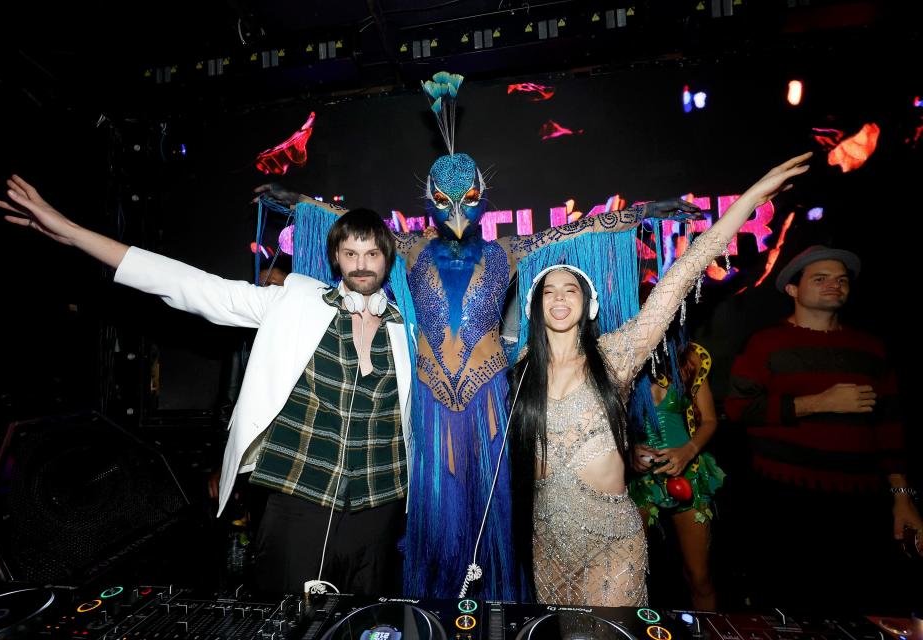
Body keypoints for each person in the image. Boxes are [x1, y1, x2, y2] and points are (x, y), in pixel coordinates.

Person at [255, 73, 701, 599]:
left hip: (489, 395)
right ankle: (433, 614)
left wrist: (639, 214)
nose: (458, 214)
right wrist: (302, 206)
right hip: (429, 399)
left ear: (483, 195)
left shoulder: (506, 251)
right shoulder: (410, 246)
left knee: (490, 517)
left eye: (468, 199)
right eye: (445, 201)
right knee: (436, 519)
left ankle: (493, 614)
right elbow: (352, 226)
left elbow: (580, 230)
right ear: (429, 198)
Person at [0, 177, 413, 599]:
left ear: (387, 258)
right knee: (286, 621)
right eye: (351, 253)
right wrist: (71, 231)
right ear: (336, 259)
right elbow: (191, 286)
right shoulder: (294, 302)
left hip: (379, 506)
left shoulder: (407, 331)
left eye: (372, 253)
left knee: (370, 624)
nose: (361, 265)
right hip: (299, 500)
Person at [508, 152, 813, 606]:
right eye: (548, 290)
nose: (558, 297)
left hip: (612, 542)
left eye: (570, 288)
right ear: (535, 305)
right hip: (548, 543)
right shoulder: (522, 368)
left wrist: (750, 197)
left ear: (587, 303)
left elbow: (685, 271)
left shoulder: (617, 355)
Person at [726, 244, 923, 611]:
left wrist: (903, 496)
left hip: (860, 503)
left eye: (841, 279)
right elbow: (739, 408)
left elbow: (891, 428)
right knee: (788, 604)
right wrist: (818, 403)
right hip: (783, 498)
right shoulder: (765, 343)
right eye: (821, 278)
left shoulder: (871, 348)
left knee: (858, 605)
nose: (834, 285)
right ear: (793, 289)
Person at [628, 318, 724, 610]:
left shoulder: (689, 359)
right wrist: (629, 449)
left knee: (699, 576)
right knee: (629, 575)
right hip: (639, 480)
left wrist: (688, 450)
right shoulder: (621, 358)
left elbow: (709, 420)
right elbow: (606, 420)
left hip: (690, 474)